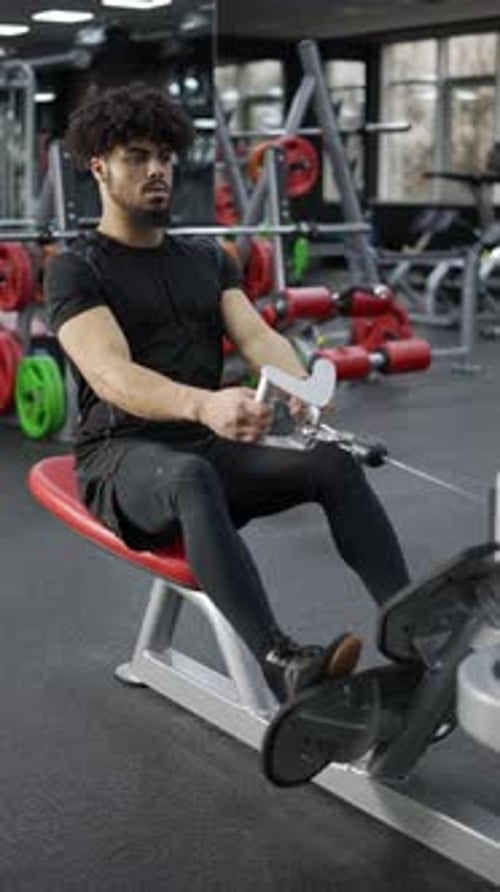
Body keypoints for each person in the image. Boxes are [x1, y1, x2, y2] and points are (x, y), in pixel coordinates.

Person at [45, 83, 410, 704]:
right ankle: (282, 662)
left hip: (202, 448)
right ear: (100, 167)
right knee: (189, 476)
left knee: (333, 465)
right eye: (137, 156)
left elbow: (258, 336)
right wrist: (203, 403)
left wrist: (300, 384)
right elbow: (111, 375)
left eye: (165, 156)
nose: (157, 170)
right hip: (121, 458)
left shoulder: (207, 259)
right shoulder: (76, 269)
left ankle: (412, 629)